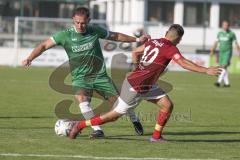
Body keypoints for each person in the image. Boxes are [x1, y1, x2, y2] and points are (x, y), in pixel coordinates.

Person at [68, 24, 222, 142]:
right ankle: (80, 125)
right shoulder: (170, 48)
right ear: (179, 39)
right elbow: (183, 63)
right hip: (137, 86)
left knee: (167, 105)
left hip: (145, 84)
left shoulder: (154, 41)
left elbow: (135, 52)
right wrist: (205, 70)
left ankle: (156, 137)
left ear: (166, 33)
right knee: (114, 116)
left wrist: (137, 68)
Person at [22, 7, 148, 138]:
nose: (80, 25)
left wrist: (137, 40)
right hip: (80, 78)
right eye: (77, 22)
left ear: (88, 20)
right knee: (82, 99)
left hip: (100, 77)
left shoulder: (94, 30)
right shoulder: (64, 35)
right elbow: (43, 46)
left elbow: (115, 36)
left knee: (120, 104)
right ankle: (97, 130)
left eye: (83, 23)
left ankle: (134, 119)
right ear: (73, 20)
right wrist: (30, 58)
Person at [210, 20, 240, 87]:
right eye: (224, 25)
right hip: (221, 52)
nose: (225, 26)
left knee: (223, 66)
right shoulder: (219, 33)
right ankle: (227, 83)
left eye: (227, 25)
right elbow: (216, 42)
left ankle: (218, 82)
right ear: (222, 25)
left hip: (228, 52)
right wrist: (212, 50)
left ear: (228, 26)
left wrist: (239, 52)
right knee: (223, 67)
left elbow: (236, 43)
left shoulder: (232, 34)